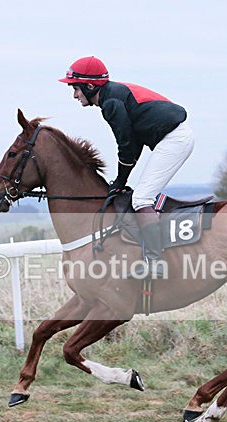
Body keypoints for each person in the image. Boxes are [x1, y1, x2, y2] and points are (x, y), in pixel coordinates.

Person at [59, 56, 194, 278]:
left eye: (75, 89)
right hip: (172, 137)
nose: (74, 95)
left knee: (141, 199)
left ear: (90, 86)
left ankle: (155, 262)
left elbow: (127, 146)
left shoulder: (110, 104)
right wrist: (121, 181)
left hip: (174, 140)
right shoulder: (112, 95)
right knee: (141, 194)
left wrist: (120, 182)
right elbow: (133, 143)